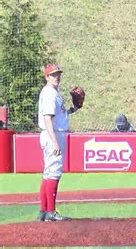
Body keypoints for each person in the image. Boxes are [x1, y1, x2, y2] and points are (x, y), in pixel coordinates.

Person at [38, 64, 80, 221]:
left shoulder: (53, 92)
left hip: (52, 133)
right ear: (46, 77)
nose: (57, 77)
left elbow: (60, 115)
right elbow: (48, 118)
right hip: (53, 135)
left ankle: (44, 211)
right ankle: (51, 212)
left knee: (48, 172)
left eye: (58, 74)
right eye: (53, 74)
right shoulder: (49, 93)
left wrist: (73, 109)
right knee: (54, 172)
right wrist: (55, 142)